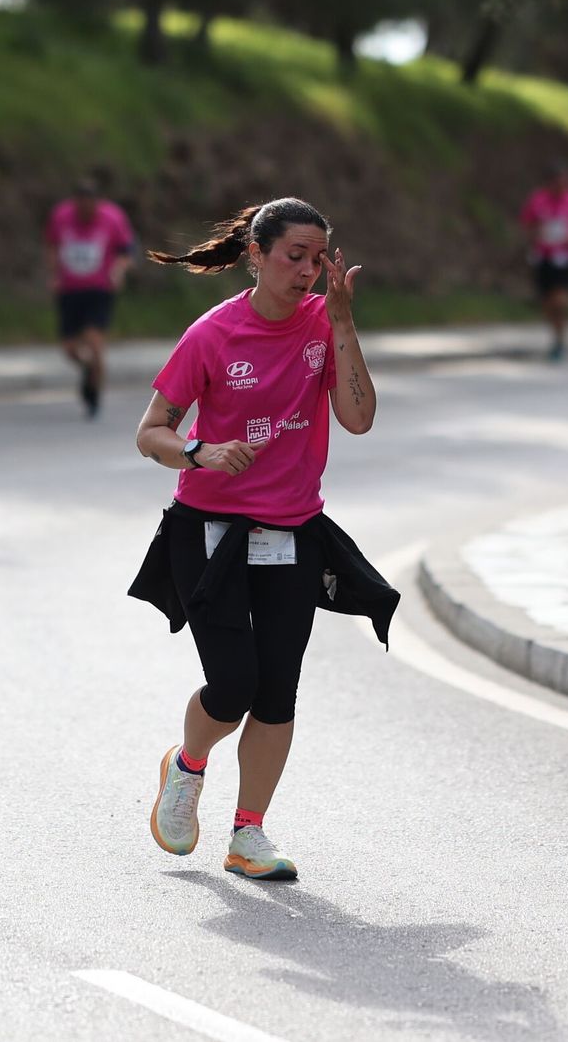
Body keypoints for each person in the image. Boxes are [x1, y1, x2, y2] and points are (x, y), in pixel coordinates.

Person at [129, 198, 398, 882]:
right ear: (257, 254)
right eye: (294, 256)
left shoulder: (322, 321)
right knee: (234, 682)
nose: (308, 271)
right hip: (210, 531)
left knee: (278, 691)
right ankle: (186, 766)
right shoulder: (213, 334)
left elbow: (359, 418)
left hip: (292, 531)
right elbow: (150, 431)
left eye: (318, 258)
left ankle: (247, 833)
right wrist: (199, 452)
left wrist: (342, 321)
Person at [46, 180, 134, 419]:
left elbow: (126, 251)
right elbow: (53, 246)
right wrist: (54, 275)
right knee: (69, 348)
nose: (85, 212)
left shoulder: (112, 218)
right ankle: (88, 370)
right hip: (70, 289)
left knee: (94, 342)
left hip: (99, 289)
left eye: (89, 207)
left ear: (97, 204)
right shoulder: (62, 216)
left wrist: (118, 271)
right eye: (80, 207)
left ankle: (94, 394)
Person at [518, 162, 568, 362]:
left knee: (560, 300)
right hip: (544, 256)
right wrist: (535, 234)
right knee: (547, 302)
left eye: (566, 182)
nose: (562, 186)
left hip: (567, 257)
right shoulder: (538, 200)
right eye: (558, 182)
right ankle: (556, 337)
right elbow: (526, 223)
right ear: (550, 182)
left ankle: (561, 339)